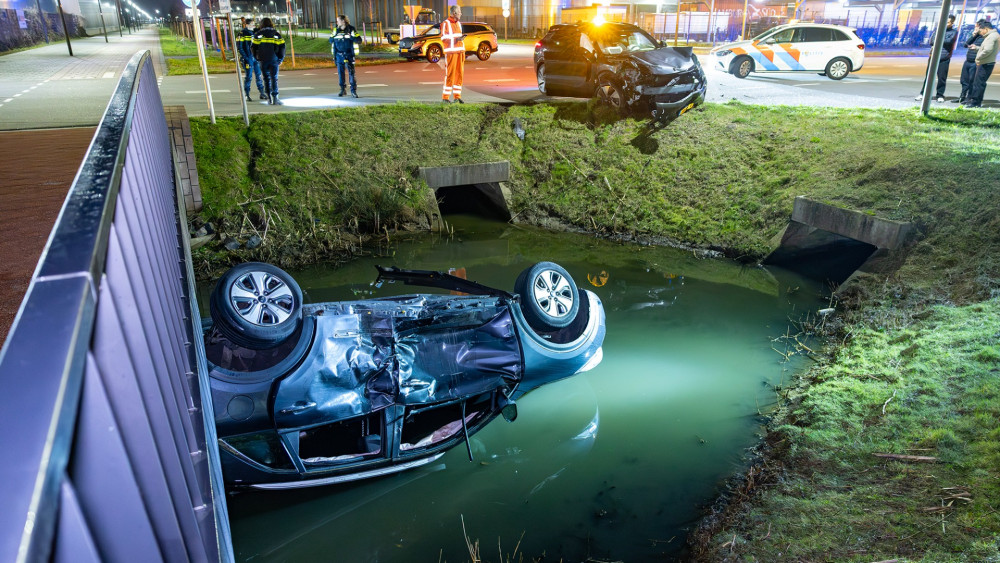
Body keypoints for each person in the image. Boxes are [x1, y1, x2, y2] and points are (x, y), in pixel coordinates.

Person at [915, 15, 957, 102]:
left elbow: (949, 42)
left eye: (948, 22)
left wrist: (940, 39)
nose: (946, 24)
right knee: (928, 77)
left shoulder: (954, 32)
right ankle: (923, 94)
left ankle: (940, 95)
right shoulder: (938, 30)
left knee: (942, 78)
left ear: (952, 23)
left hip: (944, 58)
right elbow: (931, 41)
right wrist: (942, 39)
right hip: (933, 57)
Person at [252, 17, 286, 106]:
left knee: (266, 79)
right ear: (271, 23)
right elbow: (282, 47)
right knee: (274, 78)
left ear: (261, 24)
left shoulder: (258, 34)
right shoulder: (276, 34)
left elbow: (253, 47)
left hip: (262, 60)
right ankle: (275, 99)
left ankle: (269, 98)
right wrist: (280, 59)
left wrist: (256, 58)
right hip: (274, 59)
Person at [965, 20, 999, 108]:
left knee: (979, 83)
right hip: (987, 62)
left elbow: (987, 50)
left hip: (985, 63)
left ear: (986, 29)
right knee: (979, 83)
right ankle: (976, 102)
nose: (980, 32)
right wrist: (977, 48)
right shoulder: (994, 35)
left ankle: (975, 103)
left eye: (981, 30)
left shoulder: (991, 37)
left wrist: (978, 57)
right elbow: (986, 48)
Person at [955, 20, 987, 104]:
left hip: (975, 62)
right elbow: (966, 44)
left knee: (971, 81)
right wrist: (974, 35)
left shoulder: (985, 37)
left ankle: (969, 98)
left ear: (981, 27)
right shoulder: (976, 36)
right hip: (968, 60)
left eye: (976, 26)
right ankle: (962, 97)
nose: (975, 28)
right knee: (964, 80)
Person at [329, 15, 361, 98]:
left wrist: (351, 37)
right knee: (341, 73)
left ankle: (353, 91)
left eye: (338, 20)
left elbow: (359, 40)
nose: (337, 22)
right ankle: (342, 89)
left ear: (343, 21)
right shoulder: (336, 30)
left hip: (349, 55)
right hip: (339, 55)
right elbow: (330, 40)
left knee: (351, 73)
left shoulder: (351, 29)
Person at [238, 17, 268, 102]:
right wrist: (246, 58)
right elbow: (240, 47)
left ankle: (262, 93)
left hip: (255, 58)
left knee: (259, 76)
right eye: (252, 24)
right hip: (248, 58)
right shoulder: (242, 33)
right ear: (247, 25)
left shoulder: (255, 32)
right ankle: (247, 94)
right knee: (249, 77)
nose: (253, 25)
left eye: (254, 24)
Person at [441, 5, 465, 104]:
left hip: (460, 52)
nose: (461, 14)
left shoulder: (459, 24)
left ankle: (457, 97)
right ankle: (445, 98)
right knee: (450, 75)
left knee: (459, 75)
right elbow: (443, 38)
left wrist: (460, 39)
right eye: (459, 12)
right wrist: (456, 39)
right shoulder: (445, 24)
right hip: (451, 53)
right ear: (454, 13)